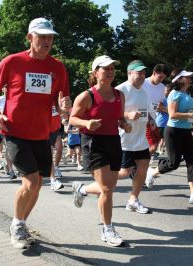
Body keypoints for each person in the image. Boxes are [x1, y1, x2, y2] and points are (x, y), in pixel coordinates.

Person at [0, 17, 71, 249]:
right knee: (31, 181)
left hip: (42, 133)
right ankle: (17, 225)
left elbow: (61, 99)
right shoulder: (12, 62)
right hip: (15, 130)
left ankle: (21, 223)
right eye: (42, 36)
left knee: (37, 183)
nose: (47, 41)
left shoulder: (58, 67)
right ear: (29, 38)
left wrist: (65, 107)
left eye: (50, 37)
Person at [70, 55, 131, 247]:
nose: (111, 71)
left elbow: (119, 117)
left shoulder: (119, 95)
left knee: (109, 188)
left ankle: (81, 189)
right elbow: (72, 119)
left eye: (113, 68)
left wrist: (124, 124)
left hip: (113, 141)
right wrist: (87, 122)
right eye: (106, 68)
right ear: (96, 73)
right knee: (106, 189)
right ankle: (107, 229)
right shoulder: (87, 96)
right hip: (93, 142)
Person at [146, 69, 193, 205]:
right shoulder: (174, 94)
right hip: (173, 131)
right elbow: (173, 114)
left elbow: (186, 113)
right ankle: (152, 173)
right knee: (173, 163)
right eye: (187, 77)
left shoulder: (186, 93)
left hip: (186, 131)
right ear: (179, 80)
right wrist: (192, 116)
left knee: (192, 161)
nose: (190, 79)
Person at [116, 60, 154, 214]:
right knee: (124, 173)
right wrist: (127, 115)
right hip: (125, 139)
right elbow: (111, 113)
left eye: (144, 73)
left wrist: (151, 120)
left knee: (143, 168)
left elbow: (147, 111)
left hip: (141, 138)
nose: (142, 75)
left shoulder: (145, 92)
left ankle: (133, 200)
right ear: (129, 73)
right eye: (139, 72)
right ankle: (88, 187)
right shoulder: (120, 90)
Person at [142, 64, 168, 161]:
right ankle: (139, 165)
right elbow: (139, 104)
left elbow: (158, 105)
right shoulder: (142, 83)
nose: (161, 80)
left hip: (153, 119)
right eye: (160, 77)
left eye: (163, 78)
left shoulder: (162, 87)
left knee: (154, 145)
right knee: (153, 146)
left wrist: (165, 109)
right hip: (141, 119)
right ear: (154, 73)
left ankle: (140, 164)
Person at [48, 105, 65, 191]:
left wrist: (64, 115)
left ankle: (56, 167)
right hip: (45, 129)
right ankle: (53, 180)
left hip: (55, 129)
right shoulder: (43, 95)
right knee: (49, 153)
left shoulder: (58, 99)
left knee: (60, 148)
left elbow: (64, 113)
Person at [156, 85, 171, 154]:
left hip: (169, 123)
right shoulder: (161, 99)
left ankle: (161, 150)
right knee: (158, 140)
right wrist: (170, 111)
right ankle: (154, 152)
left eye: (170, 90)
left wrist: (165, 109)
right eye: (167, 90)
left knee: (167, 139)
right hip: (161, 123)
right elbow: (157, 109)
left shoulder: (171, 99)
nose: (169, 92)